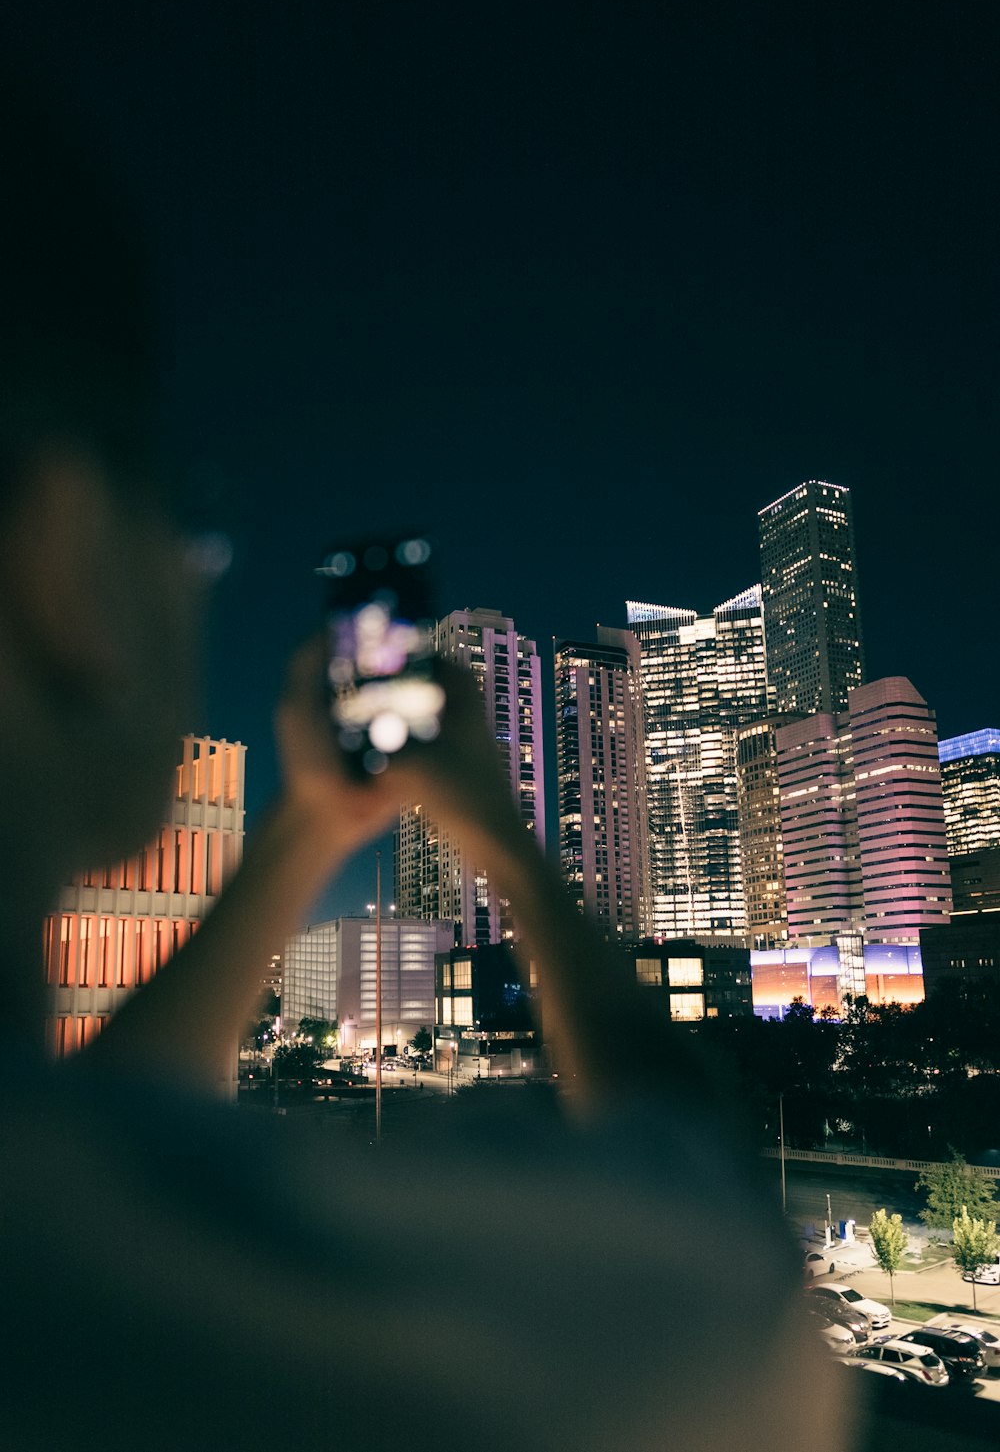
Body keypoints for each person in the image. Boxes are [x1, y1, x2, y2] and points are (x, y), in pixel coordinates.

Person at [0, 79, 853, 1450]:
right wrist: (510, 843)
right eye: (189, 526)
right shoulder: (311, 1331)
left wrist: (297, 833)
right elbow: (724, 1249)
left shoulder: (58, 1225)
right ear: (63, 550)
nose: (193, 574)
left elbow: (117, 1133)